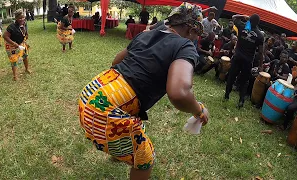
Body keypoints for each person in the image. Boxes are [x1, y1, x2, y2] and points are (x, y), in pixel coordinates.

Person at [78, 3, 208, 180]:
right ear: (189, 27)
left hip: (91, 91)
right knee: (145, 158)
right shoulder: (184, 46)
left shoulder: (146, 35)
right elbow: (179, 93)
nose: (196, 37)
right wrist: (199, 110)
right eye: (197, 32)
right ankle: (122, 151)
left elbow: (116, 60)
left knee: (129, 123)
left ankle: (119, 152)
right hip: (103, 109)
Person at [224, 14, 264, 108]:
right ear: (258, 23)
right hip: (248, 60)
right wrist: (260, 66)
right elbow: (261, 52)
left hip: (237, 57)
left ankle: (226, 95)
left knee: (231, 76)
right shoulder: (260, 35)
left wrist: (243, 16)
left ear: (249, 20)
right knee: (244, 81)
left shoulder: (242, 26)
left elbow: (233, 17)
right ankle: (241, 100)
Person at [3, 9, 31, 81]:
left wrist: (26, 34)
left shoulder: (24, 23)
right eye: (20, 18)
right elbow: (5, 36)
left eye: (23, 17)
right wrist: (14, 44)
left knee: (25, 56)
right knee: (14, 60)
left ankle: (27, 69)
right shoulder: (11, 27)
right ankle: (15, 76)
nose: (22, 19)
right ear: (16, 18)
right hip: (12, 46)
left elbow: (24, 31)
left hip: (21, 44)